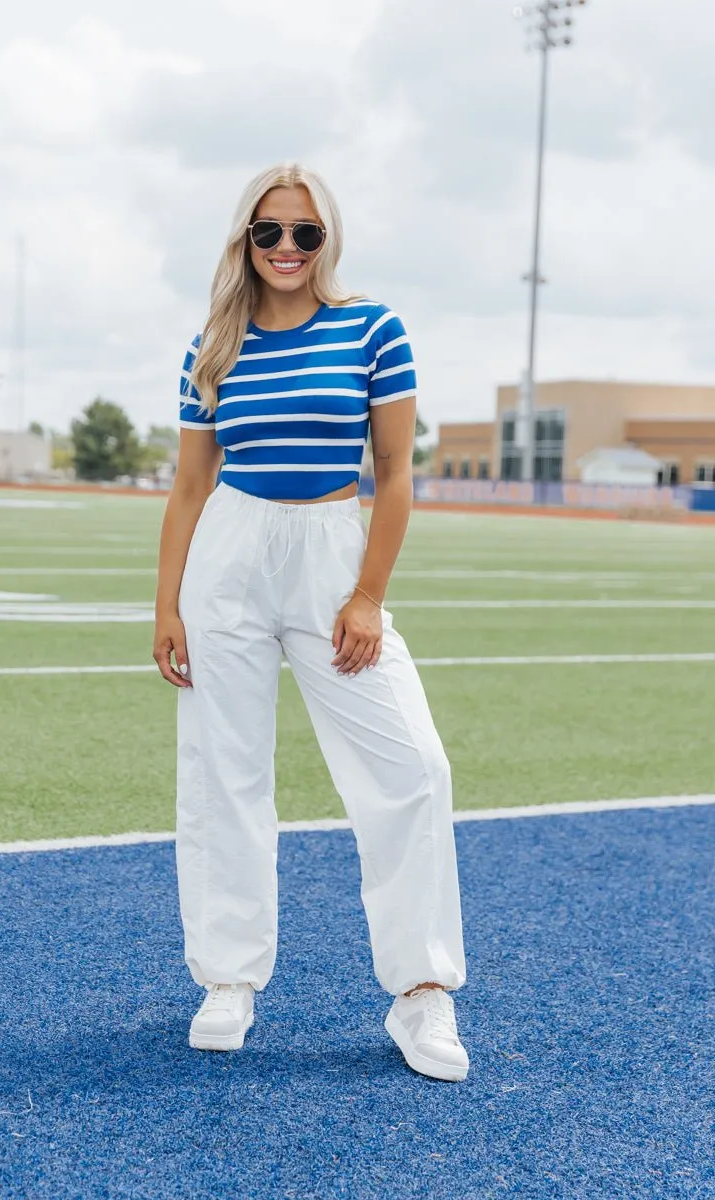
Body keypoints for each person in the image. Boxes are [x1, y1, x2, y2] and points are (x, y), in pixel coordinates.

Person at [153, 163, 468, 1082]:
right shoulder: (213, 344)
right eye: (269, 232)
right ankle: (229, 979)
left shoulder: (374, 328)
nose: (286, 249)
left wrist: (367, 594)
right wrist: (167, 603)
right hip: (230, 558)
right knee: (224, 772)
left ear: (328, 240)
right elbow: (187, 486)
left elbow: (397, 477)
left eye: (305, 233)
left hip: (334, 554)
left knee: (413, 766)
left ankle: (421, 995)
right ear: (244, 241)